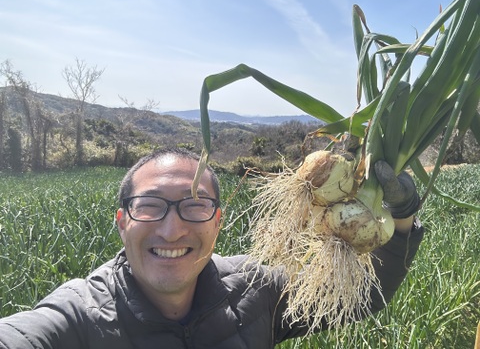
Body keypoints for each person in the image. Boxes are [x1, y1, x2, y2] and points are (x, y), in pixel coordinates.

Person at [0, 148, 424, 348]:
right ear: (122, 221)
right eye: (149, 207)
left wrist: (400, 221)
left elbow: (357, 297)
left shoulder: (255, 289)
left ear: (218, 222)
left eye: (195, 206)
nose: (171, 230)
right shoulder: (80, 316)